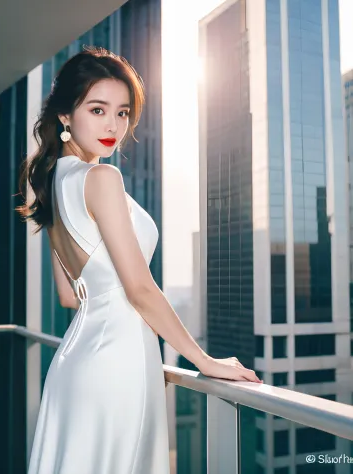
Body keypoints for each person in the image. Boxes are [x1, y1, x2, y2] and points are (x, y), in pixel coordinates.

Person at [17, 46, 262, 474]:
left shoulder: (49, 181)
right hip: (117, 366)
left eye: (123, 112)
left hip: (77, 365)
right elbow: (140, 289)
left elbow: (69, 296)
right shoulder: (101, 178)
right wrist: (204, 361)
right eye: (97, 110)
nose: (114, 126)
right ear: (65, 116)